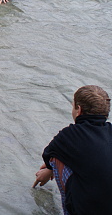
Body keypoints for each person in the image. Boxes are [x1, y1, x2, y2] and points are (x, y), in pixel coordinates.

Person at [33, 85, 112, 215]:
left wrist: (49, 168)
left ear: (78, 110)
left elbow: (48, 154)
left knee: (56, 158)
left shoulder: (70, 134)